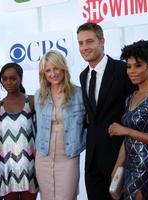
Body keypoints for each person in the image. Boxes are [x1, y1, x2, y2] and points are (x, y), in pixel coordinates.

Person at [77, 22, 148, 199]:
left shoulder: (123, 70)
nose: (84, 47)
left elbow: (147, 107)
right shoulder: (83, 75)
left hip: (125, 159)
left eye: (89, 41)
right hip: (93, 161)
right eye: (80, 43)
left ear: (101, 41)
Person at [108, 40, 148, 199]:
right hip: (129, 164)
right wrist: (117, 166)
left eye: (138, 65)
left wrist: (126, 130)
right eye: (129, 66)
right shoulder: (131, 97)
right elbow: (127, 139)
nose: (131, 71)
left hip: (147, 165)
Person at [34, 50, 86, 200]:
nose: (53, 73)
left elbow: (89, 124)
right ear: (43, 74)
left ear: (63, 68)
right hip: (43, 155)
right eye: (48, 70)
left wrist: (80, 143)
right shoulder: (39, 95)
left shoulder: (78, 94)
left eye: (56, 68)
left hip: (68, 155)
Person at [0, 63, 38, 200]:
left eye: (13, 78)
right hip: (6, 166)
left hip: (30, 164)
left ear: (20, 78)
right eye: (4, 79)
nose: (8, 82)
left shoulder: (31, 101)